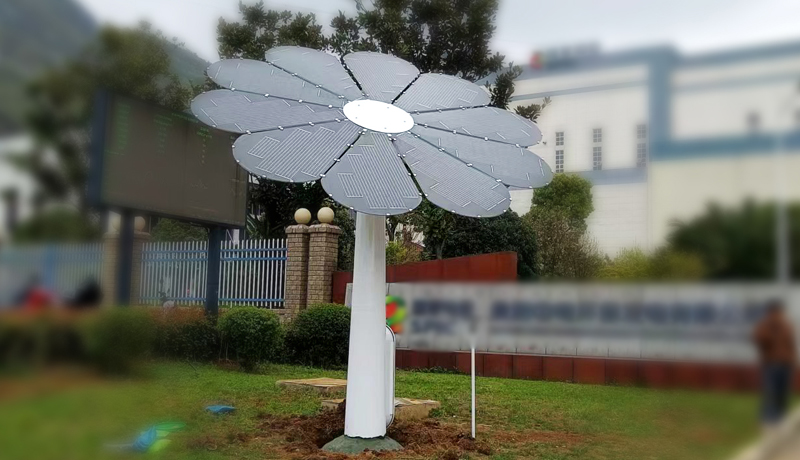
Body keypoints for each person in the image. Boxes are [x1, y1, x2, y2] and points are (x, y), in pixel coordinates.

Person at [752, 298, 797, 428]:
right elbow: (759, 339)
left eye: (779, 312)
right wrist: (772, 326)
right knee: (771, 391)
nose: (777, 314)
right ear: (770, 312)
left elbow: (791, 343)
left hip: (786, 363)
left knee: (783, 392)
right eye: (775, 312)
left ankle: (781, 417)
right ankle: (768, 419)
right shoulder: (764, 325)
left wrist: (793, 359)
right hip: (771, 363)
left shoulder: (787, 325)